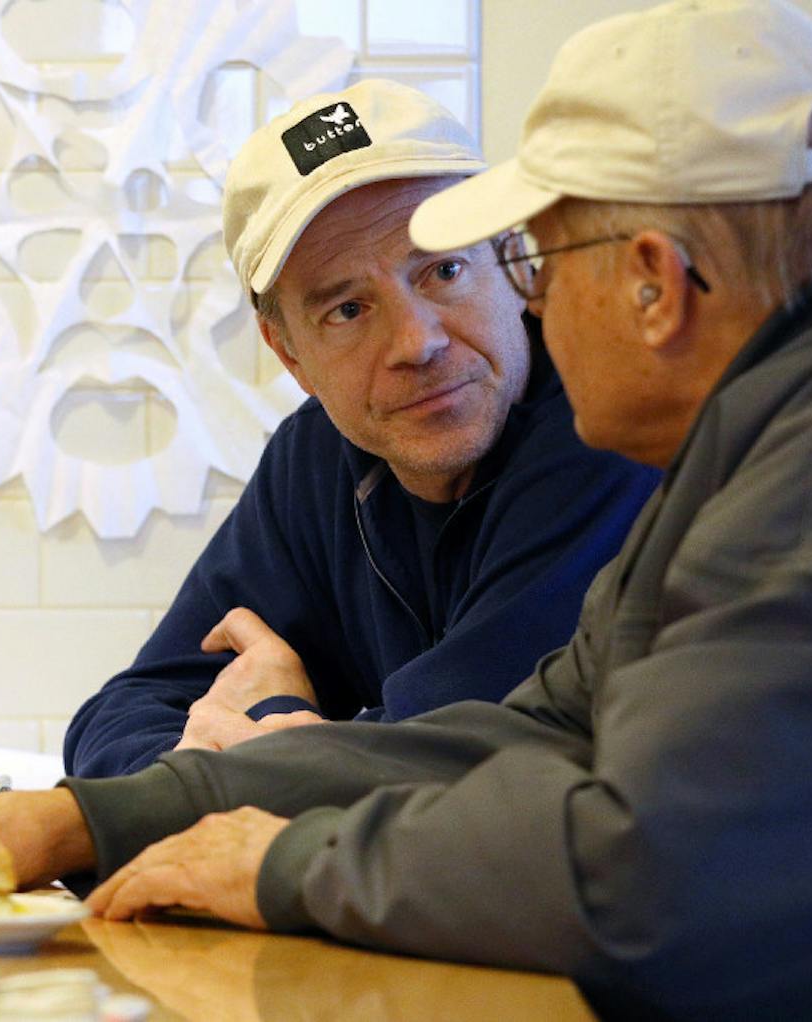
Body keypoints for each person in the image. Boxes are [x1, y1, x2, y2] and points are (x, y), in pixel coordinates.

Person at [0, 1, 812, 1017]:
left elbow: (655, 886)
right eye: (347, 307)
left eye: (530, 263)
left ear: (652, 281)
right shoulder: (752, 442)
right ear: (286, 349)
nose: (527, 308)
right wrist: (86, 815)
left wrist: (284, 861)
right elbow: (531, 734)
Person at [64, 79, 658, 777]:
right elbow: (123, 714)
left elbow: (447, 756)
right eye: (347, 310)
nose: (416, 342)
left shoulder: (608, 428)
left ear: (515, 262)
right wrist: (233, 763)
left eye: (444, 270)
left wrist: (260, 741)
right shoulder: (317, 457)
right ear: (289, 354)